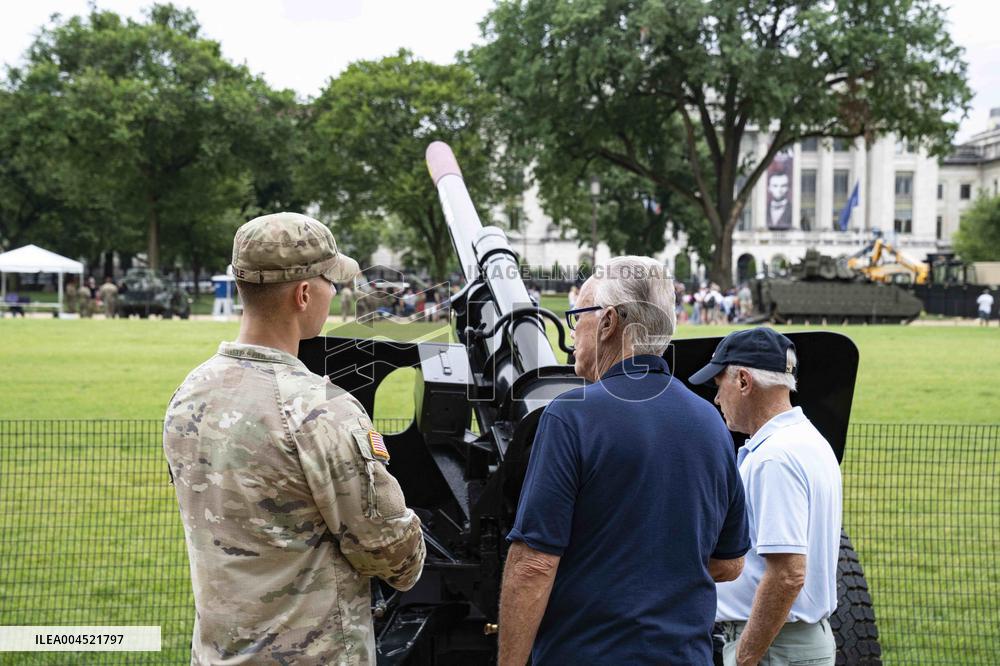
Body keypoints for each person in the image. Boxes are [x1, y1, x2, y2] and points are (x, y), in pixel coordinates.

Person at [163, 212, 426, 665]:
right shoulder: (322, 410)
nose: (335, 293)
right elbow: (396, 561)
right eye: (330, 282)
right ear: (304, 294)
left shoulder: (189, 393)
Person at [498, 256, 749, 665]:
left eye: (578, 315)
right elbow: (731, 562)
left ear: (608, 322)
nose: (573, 331)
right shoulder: (711, 422)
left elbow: (534, 566)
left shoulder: (570, 416)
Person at [689, 327, 842, 666]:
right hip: (789, 642)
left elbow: (788, 574)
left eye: (719, 385)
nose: (717, 400)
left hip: (772, 647)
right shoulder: (809, 440)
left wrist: (745, 657)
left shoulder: (774, 458)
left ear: (743, 381)